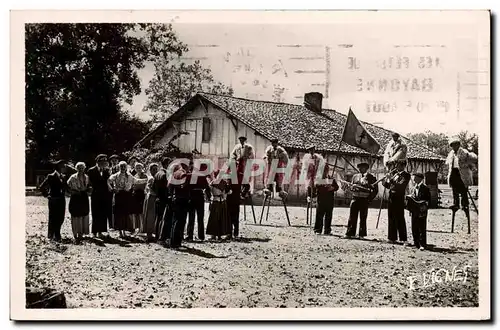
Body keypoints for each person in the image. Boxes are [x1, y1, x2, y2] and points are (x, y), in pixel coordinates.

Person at [108, 161, 148, 238]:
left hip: (127, 196)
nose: (123, 168)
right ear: (119, 167)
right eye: (121, 166)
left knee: (126, 213)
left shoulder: (129, 176)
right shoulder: (115, 175)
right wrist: (112, 189)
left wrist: (147, 179)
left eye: (124, 166)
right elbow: (108, 181)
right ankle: (120, 231)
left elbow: (137, 181)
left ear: (126, 167)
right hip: (119, 195)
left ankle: (124, 231)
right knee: (119, 214)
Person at [345, 162, 378, 238]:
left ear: (366, 169)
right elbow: (352, 186)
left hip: (364, 199)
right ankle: (350, 233)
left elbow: (375, 190)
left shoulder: (371, 178)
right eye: (359, 168)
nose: (360, 169)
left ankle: (362, 234)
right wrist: (351, 188)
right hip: (355, 198)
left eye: (362, 168)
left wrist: (369, 199)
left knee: (363, 217)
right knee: (352, 216)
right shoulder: (355, 176)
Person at [382, 160, 411, 245]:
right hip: (391, 197)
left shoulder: (406, 175)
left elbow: (400, 186)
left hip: (399, 198)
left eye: (398, 165)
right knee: (391, 217)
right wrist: (385, 180)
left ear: (403, 166)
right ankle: (392, 237)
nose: (396, 167)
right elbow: (388, 186)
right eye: (396, 165)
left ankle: (403, 239)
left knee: (400, 218)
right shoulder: (394, 174)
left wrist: (390, 179)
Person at [446, 138, 478, 213]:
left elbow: (473, 158)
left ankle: (465, 204)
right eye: (452, 146)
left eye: (455, 145)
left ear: (458, 145)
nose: (454, 147)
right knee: (454, 189)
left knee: (463, 189)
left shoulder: (464, 152)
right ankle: (456, 204)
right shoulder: (451, 153)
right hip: (453, 172)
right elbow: (448, 163)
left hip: (462, 173)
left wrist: (468, 161)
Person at [39, 159, 68, 242]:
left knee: (61, 217)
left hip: (61, 199)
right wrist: (47, 195)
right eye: (63, 166)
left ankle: (57, 233)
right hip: (53, 200)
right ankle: (52, 235)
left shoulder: (63, 176)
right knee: (53, 218)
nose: (64, 168)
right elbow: (41, 187)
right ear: (59, 167)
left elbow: (64, 187)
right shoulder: (51, 176)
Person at [186, 150, 210, 242]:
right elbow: (207, 188)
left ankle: (190, 235)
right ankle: (201, 236)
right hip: (200, 196)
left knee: (191, 217)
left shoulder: (189, 176)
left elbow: (186, 187)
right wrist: (208, 197)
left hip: (191, 196)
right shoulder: (202, 176)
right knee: (200, 217)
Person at [87, 154, 112, 237]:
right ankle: (94, 232)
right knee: (95, 212)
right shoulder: (91, 170)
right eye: (102, 161)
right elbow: (89, 182)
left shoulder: (106, 171)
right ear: (98, 161)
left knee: (103, 213)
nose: (104, 163)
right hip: (95, 194)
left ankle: (101, 231)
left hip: (105, 195)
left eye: (105, 161)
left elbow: (108, 182)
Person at [168, 162, 192, 249]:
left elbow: (169, 187)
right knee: (181, 222)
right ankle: (177, 243)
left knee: (175, 221)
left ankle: (172, 241)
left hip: (175, 199)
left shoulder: (174, 174)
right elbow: (184, 186)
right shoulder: (184, 174)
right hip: (183, 200)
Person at [67, 162, 91, 244]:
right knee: (75, 214)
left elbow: (88, 186)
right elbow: (68, 186)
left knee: (83, 214)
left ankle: (81, 233)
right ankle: (75, 233)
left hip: (83, 197)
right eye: (79, 168)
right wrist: (73, 191)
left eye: (82, 168)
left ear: (84, 168)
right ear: (76, 168)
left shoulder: (86, 177)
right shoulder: (72, 177)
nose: (81, 169)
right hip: (76, 197)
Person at [206, 170, 232, 240]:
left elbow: (207, 190)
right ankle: (219, 235)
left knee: (213, 219)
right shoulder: (224, 183)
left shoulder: (213, 182)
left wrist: (208, 198)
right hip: (222, 202)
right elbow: (229, 191)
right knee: (221, 218)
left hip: (215, 201)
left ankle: (213, 235)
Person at [314, 163, 339, 235]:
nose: (325, 171)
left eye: (326, 169)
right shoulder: (318, 178)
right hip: (321, 200)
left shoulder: (331, 178)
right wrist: (325, 186)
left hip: (330, 200)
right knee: (319, 215)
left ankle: (327, 230)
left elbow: (337, 187)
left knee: (329, 216)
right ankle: (318, 230)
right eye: (323, 169)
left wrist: (333, 188)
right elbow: (316, 186)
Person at [408, 173, 431, 250]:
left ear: (420, 179)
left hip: (421, 210)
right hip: (414, 210)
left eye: (415, 178)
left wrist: (423, 206)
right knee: (414, 226)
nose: (414, 179)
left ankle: (422, 244)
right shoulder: (414, 188)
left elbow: (428, 200)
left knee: (421, 227)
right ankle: (416, 243)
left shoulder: (425, 188)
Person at [155, 157, 173, 244]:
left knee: (158, 218)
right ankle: (162, 237)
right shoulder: (165, 175)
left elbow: (154, 187)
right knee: (164, 219)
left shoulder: (157, 173)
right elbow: (166, 189)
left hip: (158, 198)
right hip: (164, 199)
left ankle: (157, 235)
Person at [142, 163, 159, 241]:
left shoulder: (156, 177)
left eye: (156, 169)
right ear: (150, 170)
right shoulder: (151, 178)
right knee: (150, 216)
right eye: (153, 169)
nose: (155, 171)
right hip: (151, 198)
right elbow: (149, 188)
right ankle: (149, 234)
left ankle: (153, 233)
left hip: (153, 197)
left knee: (154, 216)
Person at [130, 163, 148, 234]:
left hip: (142, 195)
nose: (138, 169)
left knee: (141, 213)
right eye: (137, 168)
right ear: (135, 169)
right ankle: (135, 228)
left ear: (142, 168)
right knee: (134, 213)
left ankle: (142, 228)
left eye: (140, 168)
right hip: (135, 195)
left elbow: (144, 185)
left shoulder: (145, 175)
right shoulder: (135, 176)